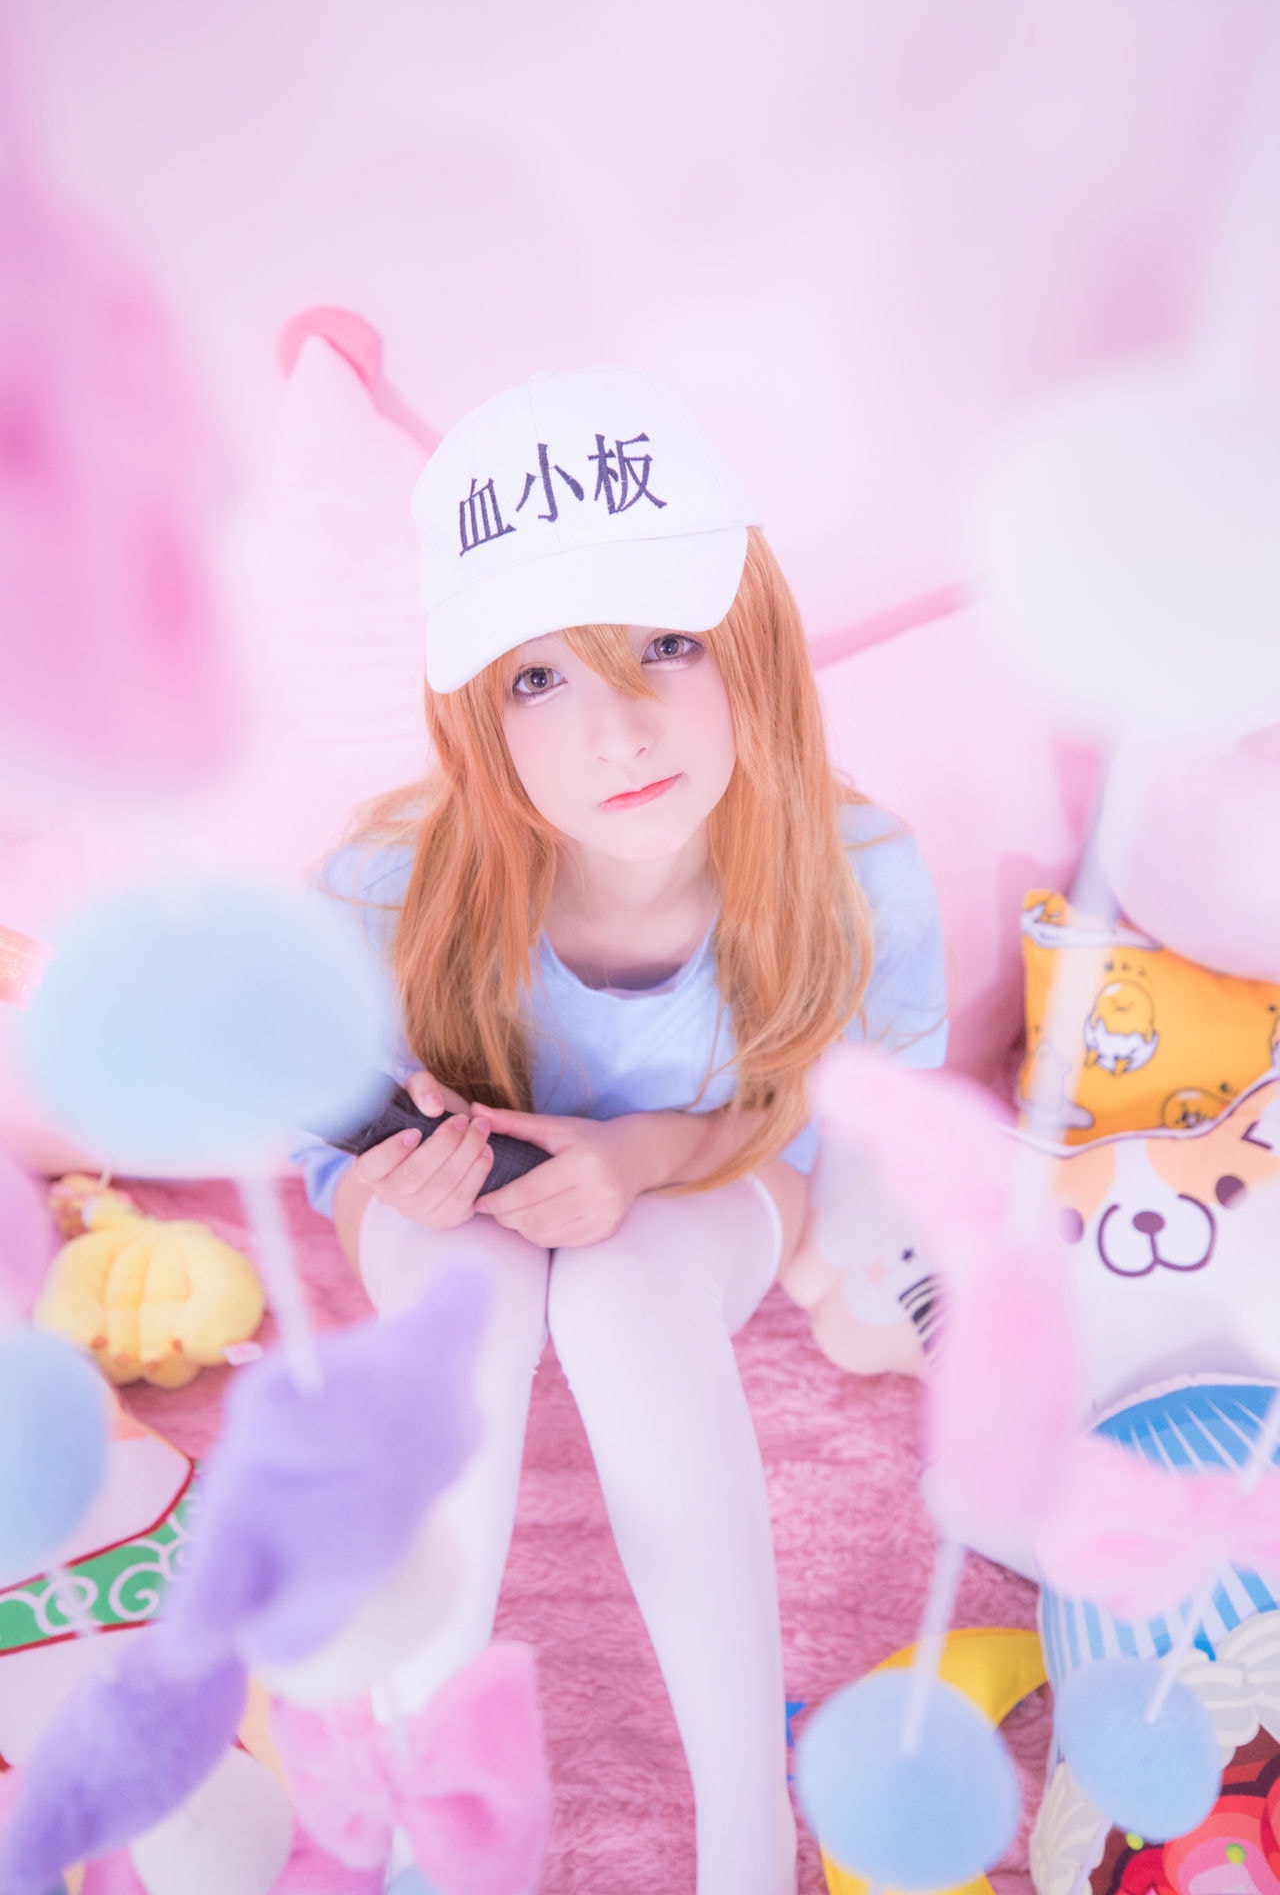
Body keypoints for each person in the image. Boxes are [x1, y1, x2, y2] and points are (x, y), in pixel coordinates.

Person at [292, 365, 948, 1894]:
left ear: (752, 639)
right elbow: (331, 1145)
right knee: (470, 1292)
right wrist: (410, 1176)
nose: (620, 730)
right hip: (450, 1211)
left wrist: (644, 1159)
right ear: (475, 717)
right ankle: (433, 1824)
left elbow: (838, 1116)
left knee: (626, 1287)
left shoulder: (859, 872)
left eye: (668, 643)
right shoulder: (384, 888)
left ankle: (744, 1831)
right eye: (540, 679)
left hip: (723, 1184)